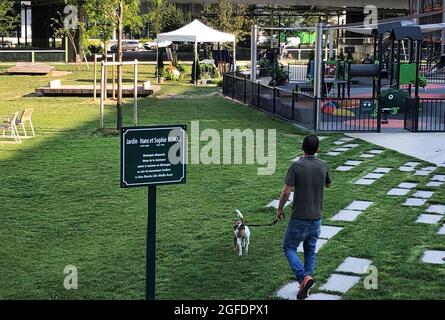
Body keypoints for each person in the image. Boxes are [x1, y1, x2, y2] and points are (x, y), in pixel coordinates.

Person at [276, 134, 331, 300]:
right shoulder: (323, 165)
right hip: (316, 218)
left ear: (302, 147)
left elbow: (286, 191)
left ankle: (303, 277)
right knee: (310, 250)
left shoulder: (296, 166)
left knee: (289, 248)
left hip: (299, 218)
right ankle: (305, 286)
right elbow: (328, 184)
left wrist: (279, 209)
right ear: (318, 149)